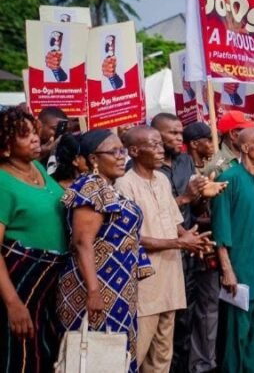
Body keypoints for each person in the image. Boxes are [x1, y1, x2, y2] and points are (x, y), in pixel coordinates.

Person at [116, 126, 213, 372]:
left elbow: (174, 221)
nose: (161, 151)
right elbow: (132, 238)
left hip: (170, 278)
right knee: (135, 353)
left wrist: (191, 238)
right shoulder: (124, 185)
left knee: (162, 356)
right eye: (154, 145)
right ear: (134, 151)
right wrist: (181, 242)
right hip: (144, 284)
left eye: (161, 144)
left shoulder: (161, 179)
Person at [56, 129, 154, 373]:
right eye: (114, 152)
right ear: (93, 159)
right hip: (95, 288)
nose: (122, 157)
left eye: (122, 151)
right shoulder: (90, 187)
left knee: (114, 357)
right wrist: (93, 291)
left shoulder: (110, 188)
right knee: (93, 359)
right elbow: (82, 243)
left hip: (118, 289)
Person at [151, 112, 225, 373]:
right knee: (165, 323)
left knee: (188, 316)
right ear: (155, 135)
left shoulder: (184, 162)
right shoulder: (145, 168)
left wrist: (205, 196)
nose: (178, 138)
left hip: (190, 251)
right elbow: (153, 213)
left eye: (180, 133)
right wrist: (184, 198)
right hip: (160, 252)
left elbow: (194, 203)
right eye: (172, 133)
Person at [0, 107, 67, 373]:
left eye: (34, 132)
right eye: (24, 135)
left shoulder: (38, 167)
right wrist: (13, 303)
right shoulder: (3, 183)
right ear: (5, 146)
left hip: (50, 281)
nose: (35, 139)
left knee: (46, 352)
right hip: (22, 282)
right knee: (21, 356)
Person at [213, 128, 254, 372]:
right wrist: (227, 269)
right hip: (240, 268)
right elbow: (222, 230)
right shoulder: (228, 179)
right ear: (245, 148)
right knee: (236, 336)